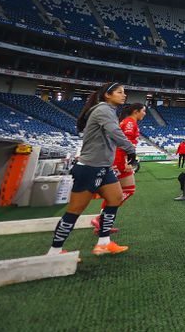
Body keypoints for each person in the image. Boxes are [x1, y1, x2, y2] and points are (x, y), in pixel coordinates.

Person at [47, 82, 137, 257]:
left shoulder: (108, 111)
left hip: (103, 167)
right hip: (89, 167)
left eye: (124, 92)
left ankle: (104, 243)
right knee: (75, 210)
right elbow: (114, 131)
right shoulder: (103, 110)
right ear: (107, 95)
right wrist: (130, 149)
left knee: (115, 198)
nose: (124, 95)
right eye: (120, 92)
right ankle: (55, 250)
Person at [90, 102, 145, 234]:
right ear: (136, 111)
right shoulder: (130, 122)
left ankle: (103, 222)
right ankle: (102, 219)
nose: (144, 114)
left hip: (118, 157)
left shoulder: (128, 121)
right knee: (127, 190)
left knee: (119, 192)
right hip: (120, 159)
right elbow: (124, 140)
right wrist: (126, 161)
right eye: (143, 111)